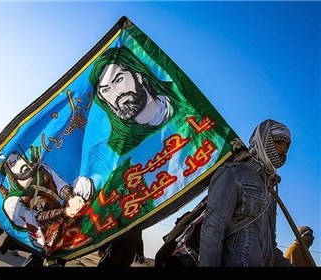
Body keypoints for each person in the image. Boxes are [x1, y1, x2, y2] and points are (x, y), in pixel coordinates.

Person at [199, 119, 293, 267]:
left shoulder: (271, 191)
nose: (285, 149)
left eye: (288, 144)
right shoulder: (233, 173)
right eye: (279, 141)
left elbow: (269, 246)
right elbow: (212, 232)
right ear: (263, 140)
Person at [88, 45, 189, 156]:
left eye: (119, 79)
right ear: (106, 102)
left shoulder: (183, 99)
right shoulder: (117, 149)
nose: (117, 93)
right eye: (106, 90)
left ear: (138, 76)